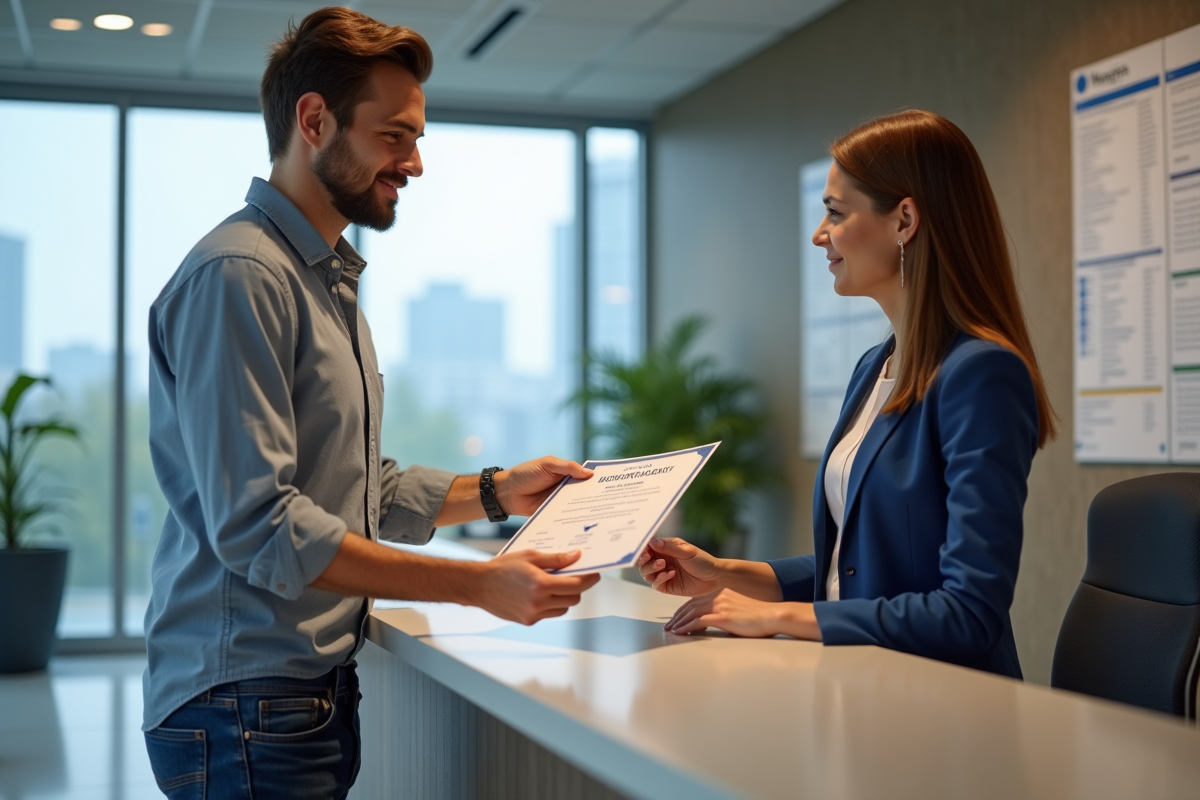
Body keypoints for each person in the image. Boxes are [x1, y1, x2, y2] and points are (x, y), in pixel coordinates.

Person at [140, 8, 599, 798]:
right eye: (395, 136)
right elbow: (263, 525)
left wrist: (495, 491)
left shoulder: (326, 280)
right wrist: (476, 584)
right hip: (244, 707)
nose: (414, 162)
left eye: (416, 138)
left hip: (292, 704)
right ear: (314, 121)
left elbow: (354, 487)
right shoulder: (243, 276)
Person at [639, 109, 1056, 679]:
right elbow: (857, 570)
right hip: (863, 688)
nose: (819, 234)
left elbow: (968, 614)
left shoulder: (981, 374)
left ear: (905, 219)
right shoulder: (873, 368)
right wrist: (728, 573)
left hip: (948, 709)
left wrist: (781, 616)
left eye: (835, 213)